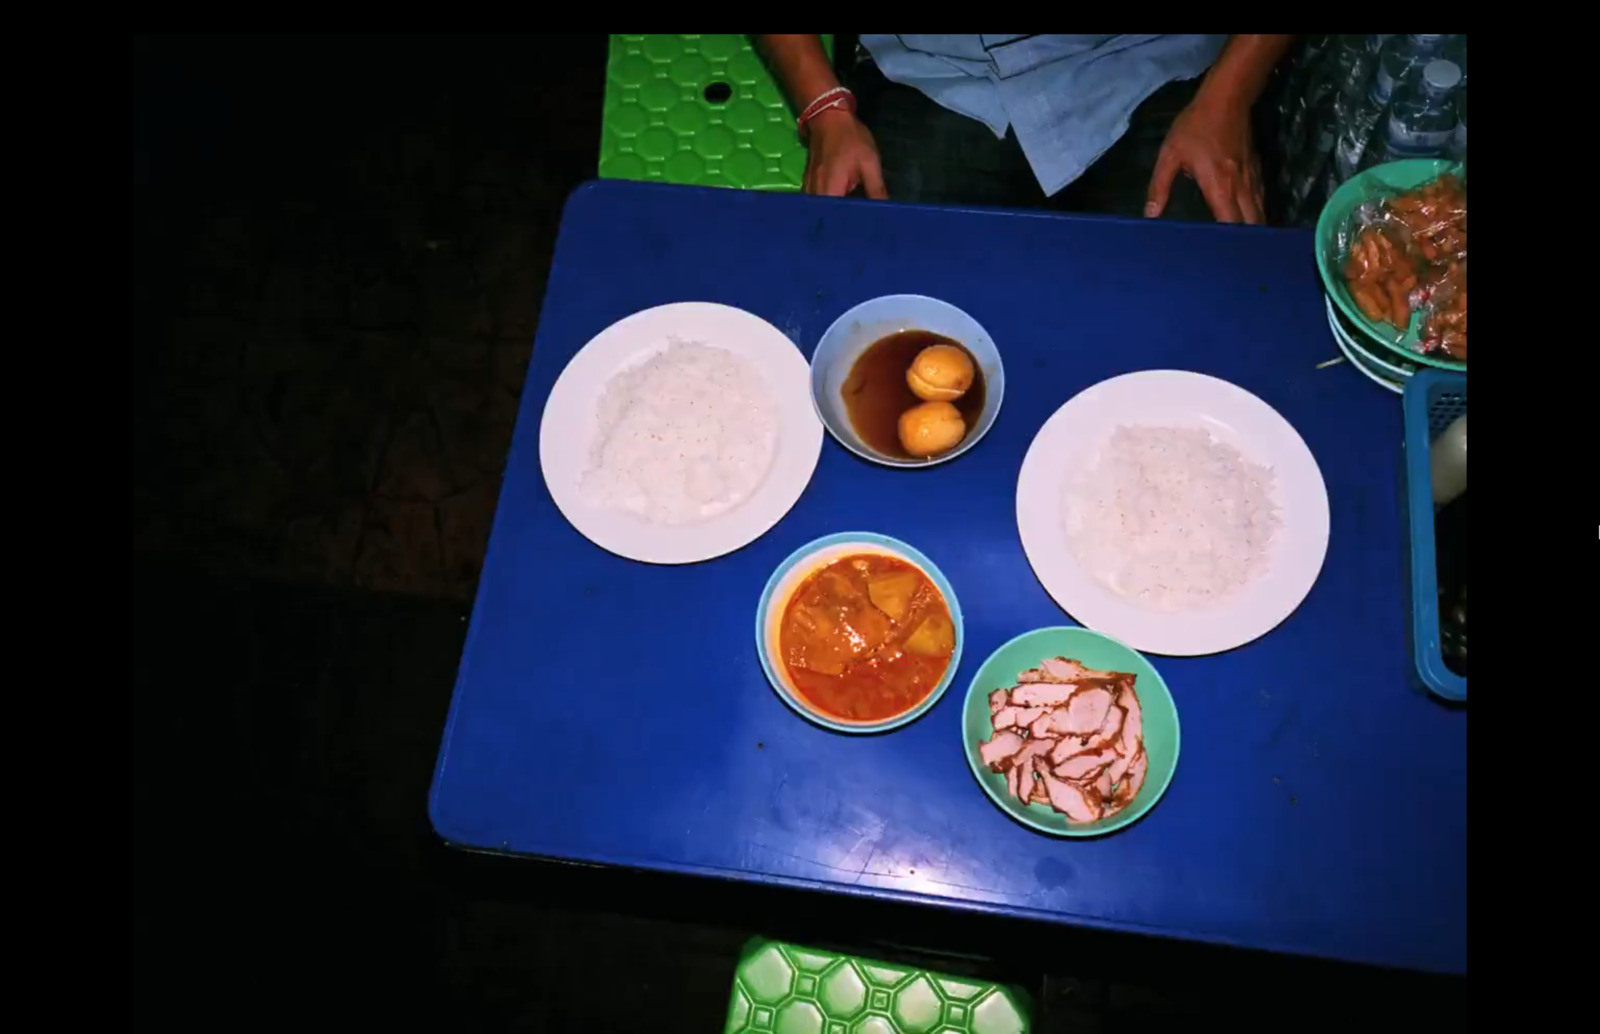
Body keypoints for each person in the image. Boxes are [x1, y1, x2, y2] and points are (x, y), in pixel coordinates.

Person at [755, 34, 1295, 224]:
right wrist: (825, 109)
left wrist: (1229, 98)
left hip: (1153, 68)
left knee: (1193, 324)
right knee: (873, 311)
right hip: (932, 70)